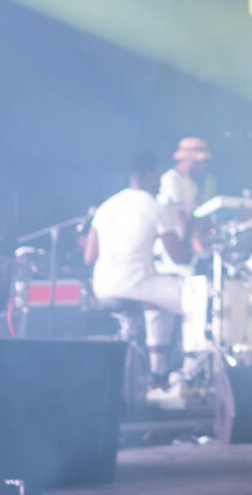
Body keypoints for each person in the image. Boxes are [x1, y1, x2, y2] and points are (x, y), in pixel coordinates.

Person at [84, 150, 190, 385]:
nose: (161, 182)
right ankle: (185, 370)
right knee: (193, 299)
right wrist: (192, 227)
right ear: (149, 175)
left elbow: (89, 257)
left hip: (102, 285)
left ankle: (157, 371)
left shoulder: (107, 206)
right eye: (159, 175)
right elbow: (179, 256)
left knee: (161, 297)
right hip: (136, 284)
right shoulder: (156, 206)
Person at [157, 136, 210, 270]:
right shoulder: (171, 180)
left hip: (187, 247)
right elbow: (179, 215)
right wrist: (195, 241)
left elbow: (195, 215)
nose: (203, 166)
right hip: (172, 248)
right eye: (199, 162)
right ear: (188, 160)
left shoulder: (191, 184)